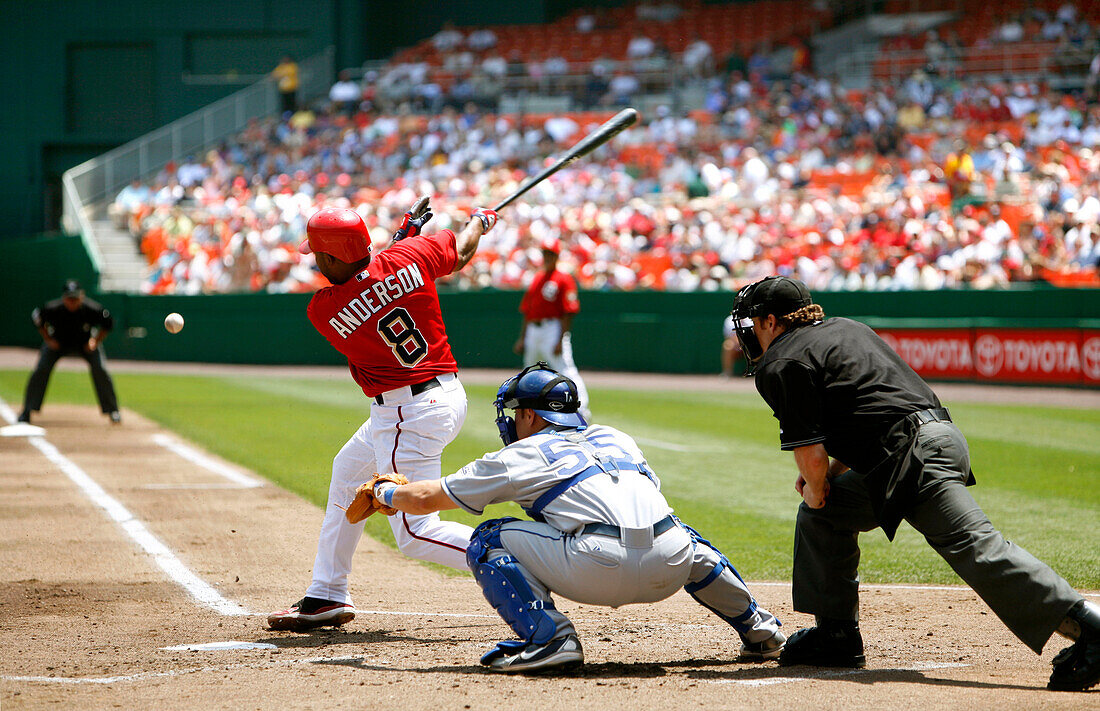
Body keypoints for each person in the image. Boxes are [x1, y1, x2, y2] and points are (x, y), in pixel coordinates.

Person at [728, 275, 1100, 692]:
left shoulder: (781, 360)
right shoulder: (847, 328)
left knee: (976, 548)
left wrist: (816, 485)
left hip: (913, 459)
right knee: (829, 513)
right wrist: (828, 481)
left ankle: (1092, 629)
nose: (748, 333)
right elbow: (870, 410)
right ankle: (836, 635)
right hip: (938, 440)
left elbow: (812, 456)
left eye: (752, 322)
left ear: (771, 321)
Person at [355, 363, 785, 673]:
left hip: (597, 565)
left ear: (530, 415)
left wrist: (385, 491)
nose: (510, 421)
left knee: (488, 538)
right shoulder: (616, 436)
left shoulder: (520, 453)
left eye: (515, 412)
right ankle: (760, 629)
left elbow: (429, 497)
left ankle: (550, 638)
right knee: (679, 534)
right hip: (670, 566)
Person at [267, 200, 499, 632]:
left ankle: (516, 558)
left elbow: (366, 285)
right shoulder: (410, 256)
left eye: (319, 255)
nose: (315, 262)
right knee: (348, 470)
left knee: (414, 533)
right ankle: (326, 594)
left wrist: (402, 237)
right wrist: (478, 222)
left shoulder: (324, 309)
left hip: (405, 414)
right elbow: (456, 255)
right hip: (443, 396)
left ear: (333, 256)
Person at [18, 280, 120, 425]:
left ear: (82, 296)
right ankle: (27, 410)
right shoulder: (54, 308)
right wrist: (48, 339)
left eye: (75, 298)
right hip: (58, 343)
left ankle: (113, 410)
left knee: (100, 369)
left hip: (85, 344)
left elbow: (108, 323)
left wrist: (95, 342)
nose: (72, 302)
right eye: (69, 298)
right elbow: (37, 318)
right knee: (41, 369)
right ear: (64, 298)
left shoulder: (92, 309)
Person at [513, 238, 589, 417]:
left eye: (550, 254)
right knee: (530, 371)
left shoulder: (563, 278)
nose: (546, 257)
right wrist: (523, 337)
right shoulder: (538, 278)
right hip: (534, 328)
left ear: (556, 256)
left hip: (553, 328)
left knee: (565, 369)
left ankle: (581, 409)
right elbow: (527, 310)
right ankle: (532, 411)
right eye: (545, 253)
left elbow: (568, 311)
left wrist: (561, 338)